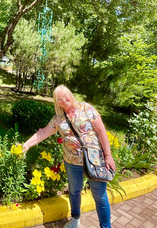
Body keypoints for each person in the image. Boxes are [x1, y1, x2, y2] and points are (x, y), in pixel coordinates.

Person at [22, 85, 116, 228]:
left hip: (94, 159)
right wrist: (26, 145)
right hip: (72, 162)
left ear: (71, 95)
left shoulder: (86, 109)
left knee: (100, 195)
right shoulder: (58, 118)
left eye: (65, 96)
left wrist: (108, 156)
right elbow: (43, 133)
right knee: (74, 190)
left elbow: (102, 132)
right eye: (59, 99)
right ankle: (75, 218)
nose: (64, 100)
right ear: (57, 102)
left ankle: (106, 226)